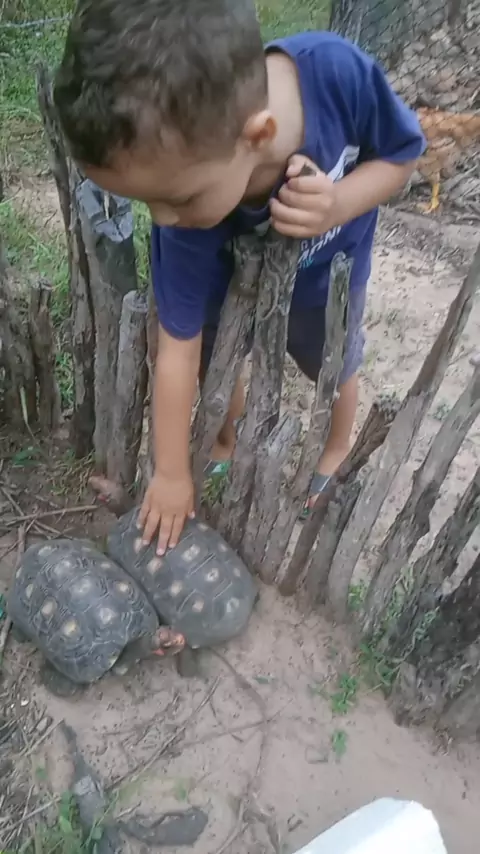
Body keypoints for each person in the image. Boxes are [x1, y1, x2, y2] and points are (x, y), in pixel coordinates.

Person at [54, 0, 425, 556]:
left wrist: (338, 203)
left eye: (177, 198)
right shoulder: (186, 204)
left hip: (324, 275)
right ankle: (225, 440)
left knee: (332, 361)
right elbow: (176, 350)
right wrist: (171, 474)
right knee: (212, 357)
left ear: (258, 135)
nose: (162, 221)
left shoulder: (339, 76)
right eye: (148, 202)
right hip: (228, 282)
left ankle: (337, 446)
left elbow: (402, 154)